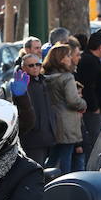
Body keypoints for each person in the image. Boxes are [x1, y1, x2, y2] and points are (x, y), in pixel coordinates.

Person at [43, 44, 86, 174]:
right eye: (67, 55)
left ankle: (44, 180)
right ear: (61, 59)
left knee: (54, 156)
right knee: (66, 156)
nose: (70, 58)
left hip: (52, 120)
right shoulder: (67, 77)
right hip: (67, 121)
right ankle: (64, 184)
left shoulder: (46, 77)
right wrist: (83, 103)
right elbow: (73, 100)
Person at [18, 54, 56, 166]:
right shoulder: (22, 84)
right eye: (31, 65)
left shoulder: (44, 82)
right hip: (33, 137)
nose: (35, 67)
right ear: (24, 68)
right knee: (35, 169)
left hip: (48, 135)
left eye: (38, 64)